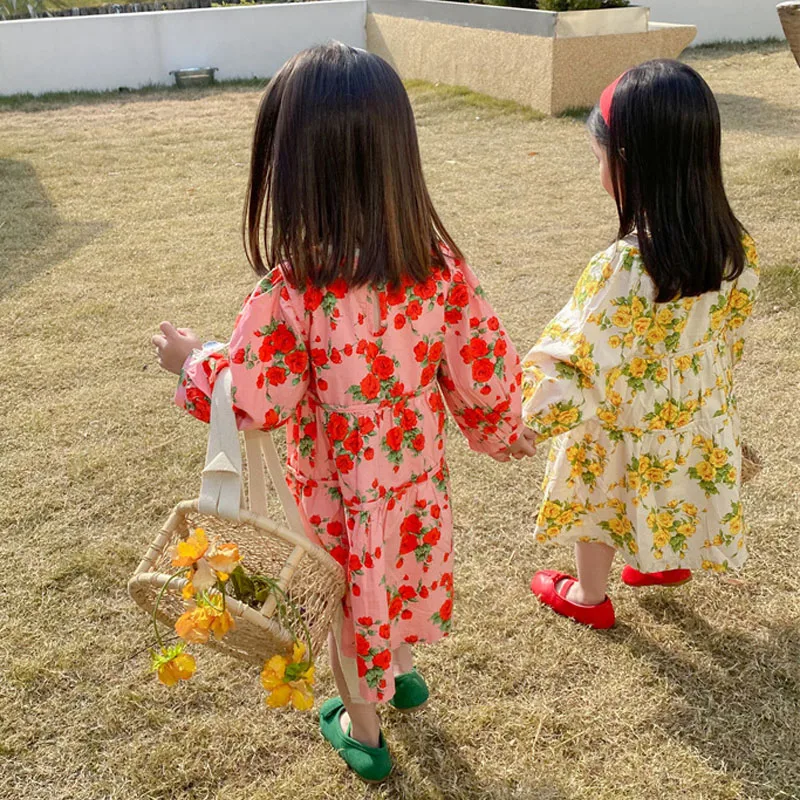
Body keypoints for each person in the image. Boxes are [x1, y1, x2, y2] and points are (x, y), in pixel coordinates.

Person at [152, 43, 533, 783]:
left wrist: (194, 361)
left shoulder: (295, 289)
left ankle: (364, 727)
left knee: (350, 603)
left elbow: (255, 397)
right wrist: (503, 429)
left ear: (291, 167)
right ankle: (403, 672)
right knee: (400, 572)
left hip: (336, 493)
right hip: (414, 479)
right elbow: (482, 365)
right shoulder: (437, 266)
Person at [522, 60, 759, 630]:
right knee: (673, 477)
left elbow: (576, 359)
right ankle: (665, 562)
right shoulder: (734, 247)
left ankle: (588, 595)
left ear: (628, 162)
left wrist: (526, 419)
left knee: (601, 491)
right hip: (693, 411)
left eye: (599, 158)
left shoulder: (624, 266)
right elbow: (730, 332)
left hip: (620, 421)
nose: (599, 172)